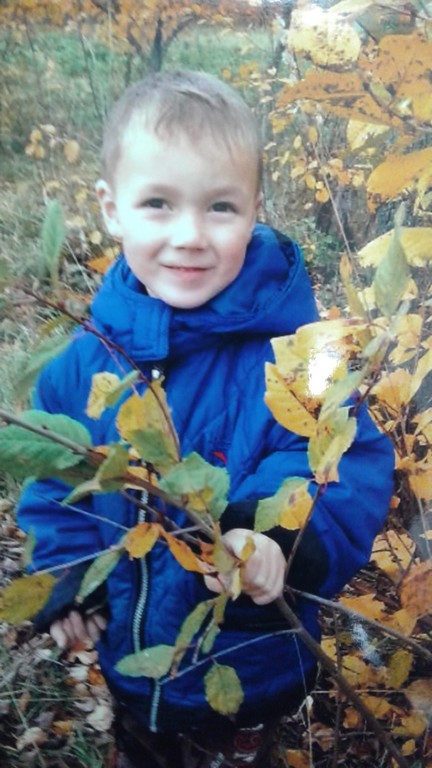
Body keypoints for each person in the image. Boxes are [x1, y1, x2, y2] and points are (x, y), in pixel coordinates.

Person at [17, 70, 394, 768]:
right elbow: (56, 486)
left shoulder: (296, 356)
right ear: (112, 210)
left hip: (253, 668)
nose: (189, 235)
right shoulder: (80, 368)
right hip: (133, 665)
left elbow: (349, 464)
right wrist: (72, 577)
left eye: (220, 206)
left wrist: (276, 535)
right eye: (157, 203)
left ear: (254, 210)